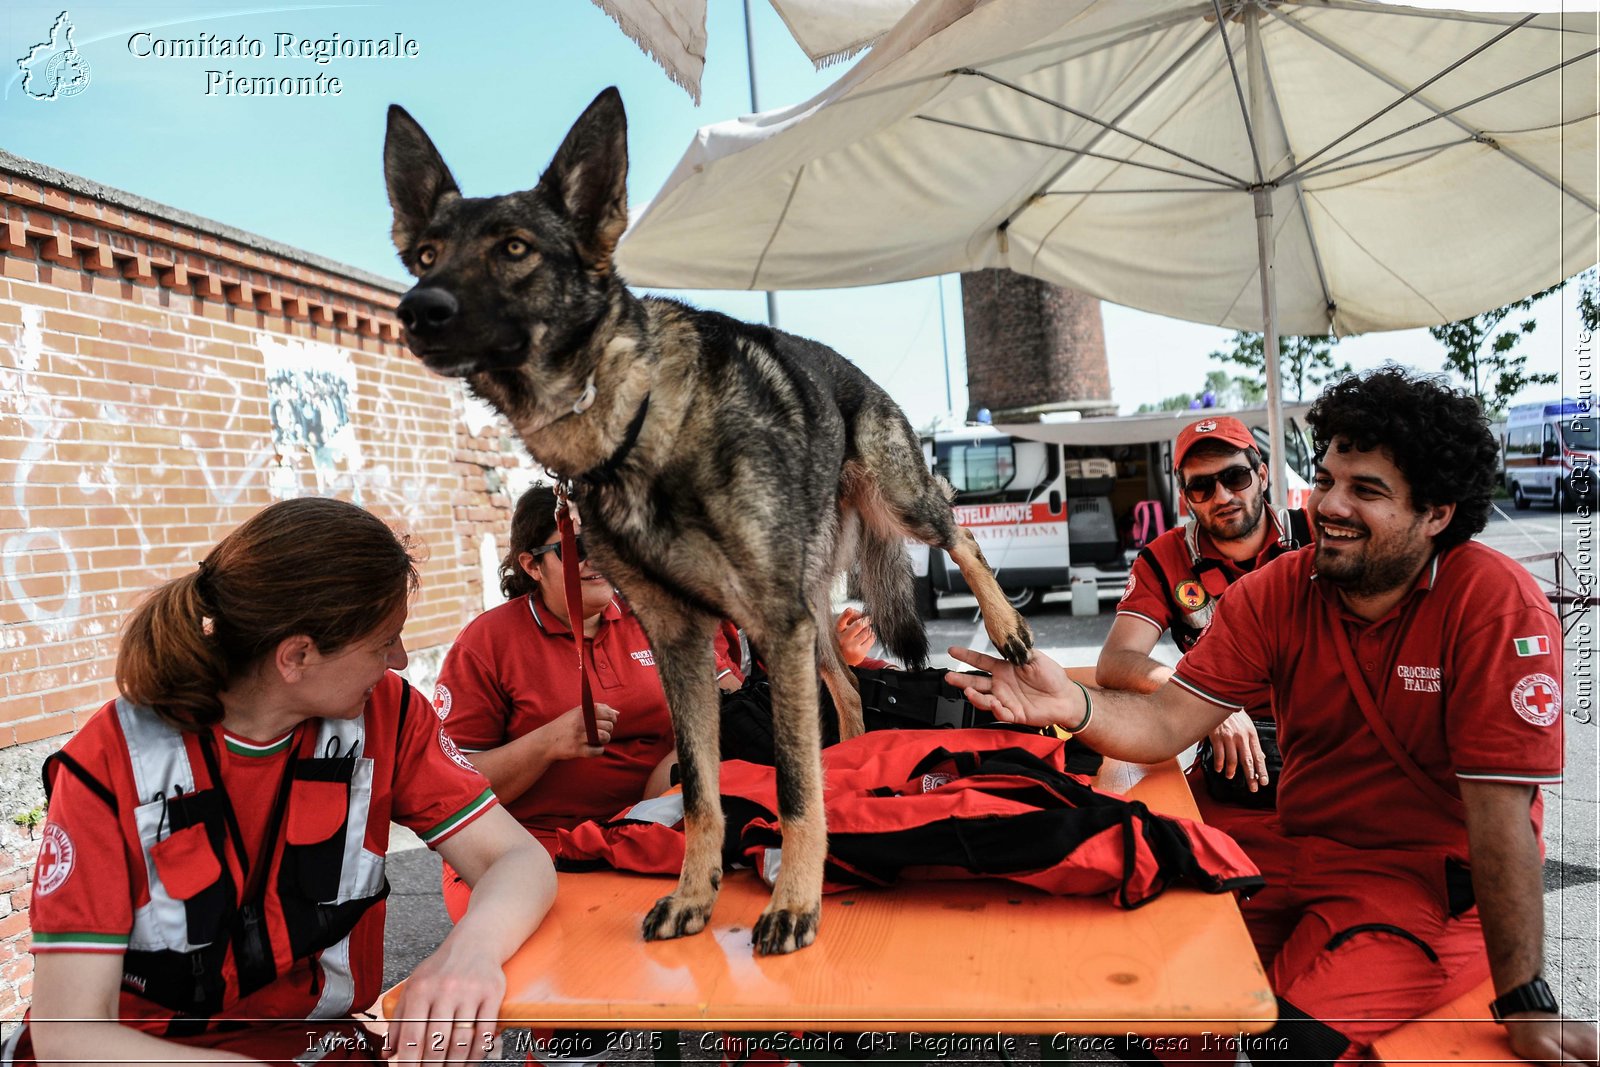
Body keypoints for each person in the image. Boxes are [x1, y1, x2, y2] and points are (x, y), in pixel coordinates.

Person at [947, 368, 1597, 1065]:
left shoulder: (1494, 604)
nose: (1330, 506)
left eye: (1366, 490)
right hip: (1292, 846)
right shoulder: (1276, 588)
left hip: (1420, 884)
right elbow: (1165, 722)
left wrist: (1525, 996)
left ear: (1437, 512)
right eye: (1325, 481)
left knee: (1291, 1044)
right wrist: (1068, 703)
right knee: (1153, 997)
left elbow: (1503, 820)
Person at [12, 497, 555, 1067]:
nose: (398, 660)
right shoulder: (111, 760)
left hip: (310, 1045)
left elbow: (518, 860)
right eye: (383, 641)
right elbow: (69, 1039)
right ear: (296, 656)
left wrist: (469, 953)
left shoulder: (388, 717)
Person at [432, 485, 742, 921]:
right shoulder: (487, 643)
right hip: (531, 849)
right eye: (576, 548)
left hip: (653, 829)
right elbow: (450, 788)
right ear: (532, 565)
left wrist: (686, 749)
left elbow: (735, 706)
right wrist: (547, 743)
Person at [1098, 415, 1309, 798]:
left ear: (1262, 476)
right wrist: (1212, 703)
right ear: (1185, 499)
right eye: (1201, 487)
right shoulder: (1164, 558)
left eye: (1235, 478)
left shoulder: (1315, 534)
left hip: (1326, 739)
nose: (1222, 496)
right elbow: (1115, 661)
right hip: (1233, 761)